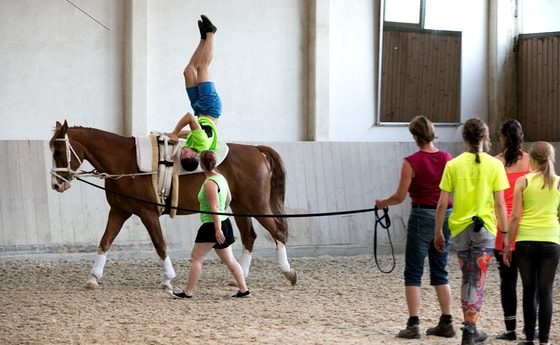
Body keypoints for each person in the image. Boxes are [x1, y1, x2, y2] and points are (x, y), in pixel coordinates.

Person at [375, 115, 455, 340]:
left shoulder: (411, 161)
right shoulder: (448, 158)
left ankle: (414, 323)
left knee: (413, 271)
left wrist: (382, 203)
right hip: (445, 215)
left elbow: (399, 197)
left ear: (414, 136)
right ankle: (447, 320)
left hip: (421, 215)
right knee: (440, 270)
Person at [434, 117, 509, 345]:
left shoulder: (453, 165)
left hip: (460, 230)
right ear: (485, 138)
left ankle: (470, 328)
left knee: (468, 278)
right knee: (477, 280)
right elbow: (500, 204)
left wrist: (438, 232)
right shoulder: (495, 165)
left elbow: (442, 203)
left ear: (464, 138)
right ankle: (470, 330)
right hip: (484, 229)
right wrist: (505, 235)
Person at [169, 150, 250, 298]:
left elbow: (214, 207)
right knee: (230, 260)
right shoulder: (221, 178)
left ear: (201, 164)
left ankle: (188, 292)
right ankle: (244, 289)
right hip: (224, 222)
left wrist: (217, 229)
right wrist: (221, 215)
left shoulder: (210, 184)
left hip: (212, 225)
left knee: (196, 258)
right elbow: (228, 199)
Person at [502, 141, 560, 345]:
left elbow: (515, 216)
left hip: (526, 240)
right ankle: (544, 341)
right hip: (551, 241)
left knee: (529, 289)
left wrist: (507, 243)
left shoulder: (523, 181)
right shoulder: (558, 182)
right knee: (546, 291)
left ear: (532, 160)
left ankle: (528, 340)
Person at [166, 14, 221, 172]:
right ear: (195, 155)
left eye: (181, 154)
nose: (182, 152)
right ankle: (210, 32)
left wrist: (171, 136)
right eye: (185, 154)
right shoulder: (201, 143)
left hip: (200, 109)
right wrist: (174, 133)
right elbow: (189, 117)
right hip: (210, 107)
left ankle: (203, 38)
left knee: (188, 71)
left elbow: (189, 133)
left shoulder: (194, 144)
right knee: (202, 67)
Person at [492, 120, 531, 341]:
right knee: (529, 282)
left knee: (507, 281)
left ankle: (510, 330)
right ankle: (529, 328)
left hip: (502, 227)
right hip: (525, 227)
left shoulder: (495, 163)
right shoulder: (530, 162)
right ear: (522, 136)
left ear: (502, 138)